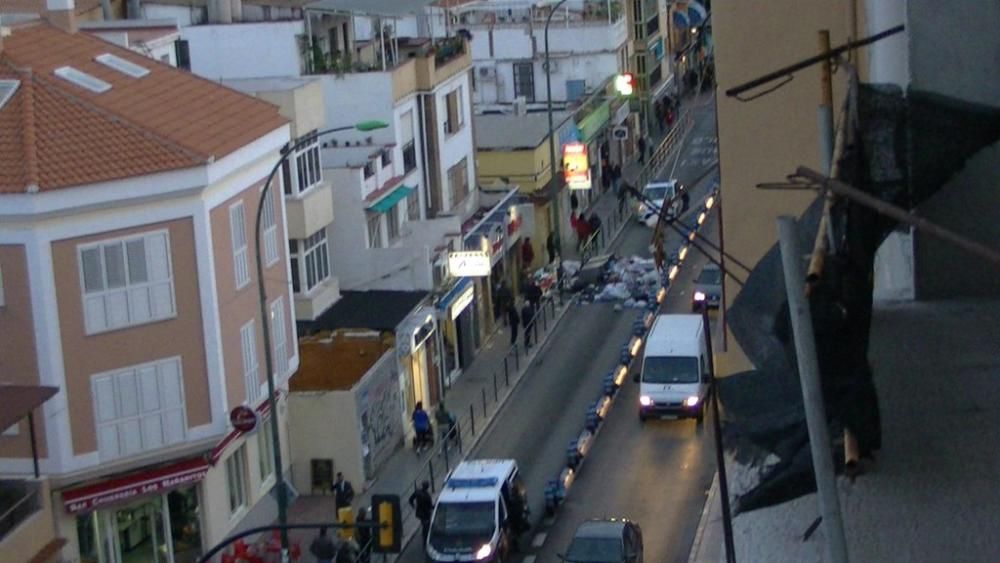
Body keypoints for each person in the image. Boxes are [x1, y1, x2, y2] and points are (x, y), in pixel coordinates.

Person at [409, 481, 434, 546]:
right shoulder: (427, 496)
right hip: (426, 514)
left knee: (424, 525)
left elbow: (410, 499)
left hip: (419, 513)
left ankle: (425, 539)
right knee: (426, 527)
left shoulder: (417, 492)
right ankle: (425, 541)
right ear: (427, 487)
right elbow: (430, 506)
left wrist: (414, 506)